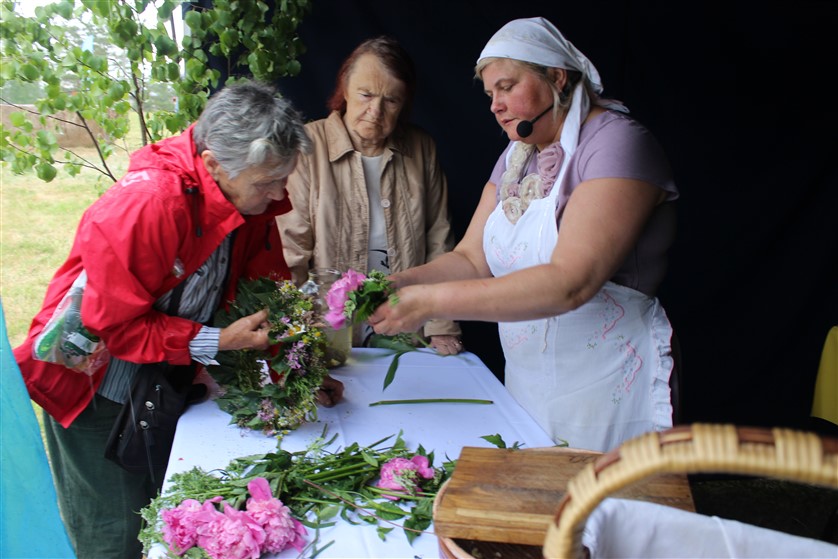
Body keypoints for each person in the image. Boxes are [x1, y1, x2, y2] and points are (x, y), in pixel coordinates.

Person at [13, 80, 344, 559]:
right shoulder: (148, 204)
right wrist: (215, 341)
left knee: (161, 512)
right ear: (213, 164)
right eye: (267, 183)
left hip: (157, 376)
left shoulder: (248, 191)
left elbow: (263, 293)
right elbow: (114, 327)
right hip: (91, 386)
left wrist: (293, 371)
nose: (278, 196)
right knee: (115, 534)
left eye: (283, 178)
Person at [369, 17, 679, 453]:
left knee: (601, 512)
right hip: (529, 381)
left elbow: (571, 282)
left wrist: (430, 303)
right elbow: (471, 260)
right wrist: (402, 282)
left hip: (606, 383)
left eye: (507, 86)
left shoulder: (616, 143)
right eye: (490, 93)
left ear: (556, 77)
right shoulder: (516, 158)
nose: (495, 105)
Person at [277, 36, 464, 355]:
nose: (375, 111)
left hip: (404, 318)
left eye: (391, 100)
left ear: (404, 103)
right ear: (344, 89)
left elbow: (439, 240)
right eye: (366, 95)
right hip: (327, 326)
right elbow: (291, 250)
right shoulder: (309, 145)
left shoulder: (421, 148)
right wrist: (293, 334)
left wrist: (441, 324)